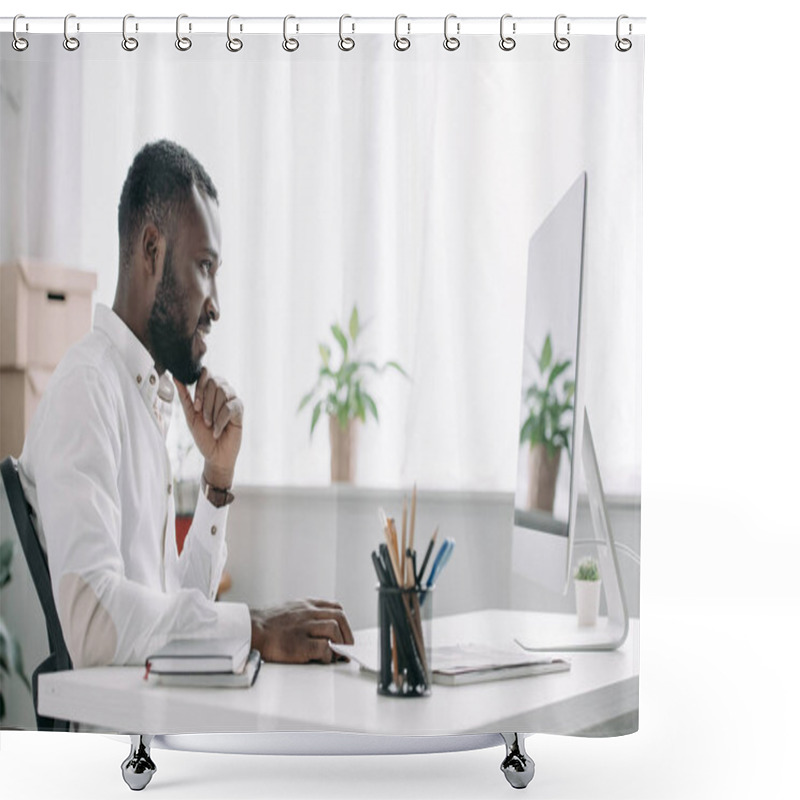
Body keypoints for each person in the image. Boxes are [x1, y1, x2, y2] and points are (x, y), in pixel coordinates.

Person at [19, 139, 353, 669]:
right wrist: (256, 627)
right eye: (204, 266)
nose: (215, 303)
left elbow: (175, 612)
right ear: (152, 251)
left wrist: (216, 482)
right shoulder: (88, 388)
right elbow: (94, 624)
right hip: (125, 743)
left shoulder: (138, 394)